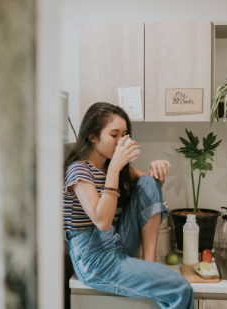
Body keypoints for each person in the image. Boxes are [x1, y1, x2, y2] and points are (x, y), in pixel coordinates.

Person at [63, 102, 194, 308]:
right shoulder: (78, 171)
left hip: (115, 242)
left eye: (124, 135)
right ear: (92, 136)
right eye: (114, 135)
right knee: (180, 288)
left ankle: (149, 264)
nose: (121, 141)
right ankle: (150, 272)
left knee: (148, 182)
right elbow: (102, 221)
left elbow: (150, 188)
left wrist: (157, 170)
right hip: (92, 258)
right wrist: (115, 169)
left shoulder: (109, 166)